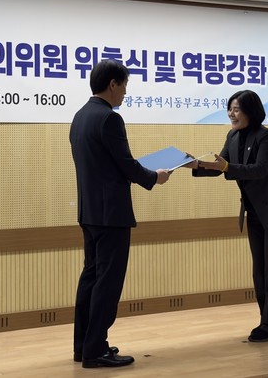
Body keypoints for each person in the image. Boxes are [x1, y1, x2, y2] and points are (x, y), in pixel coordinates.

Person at [69, 60, 171, 368]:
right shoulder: (110, 119)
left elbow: (107, 164)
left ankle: (84, 346)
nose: (125, 92)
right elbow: (126, 165)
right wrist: (154, 177)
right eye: (124, 85)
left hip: (89, 212)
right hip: (111, 214)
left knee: (91, 278)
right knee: (108, 283)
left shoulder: (80, 116)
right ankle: (96, 350)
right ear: (112, 84)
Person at [192, 89, 268, 342]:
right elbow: (221, 167)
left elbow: (259, 170)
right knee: (260, 272)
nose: (231, 114)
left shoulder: (267, 136)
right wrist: (194, 165)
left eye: (237, 109)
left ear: (251, 111)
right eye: (229, 109)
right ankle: (266, 322)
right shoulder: (233, 136)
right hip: (254, 213)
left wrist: (227, 166)